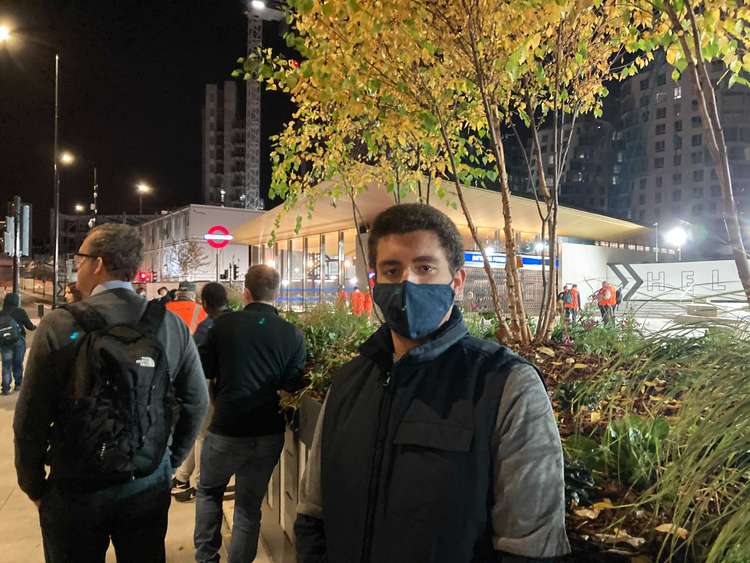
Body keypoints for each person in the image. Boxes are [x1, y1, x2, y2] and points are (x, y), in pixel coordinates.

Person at [294, 203, 570, 562]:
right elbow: (313, 512)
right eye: (392, 270)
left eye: (425, 267)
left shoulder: (506, 385)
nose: (407, 282)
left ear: (456, 281)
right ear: (375, 281)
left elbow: (532, 547)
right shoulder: (348, 383)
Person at [13, 223, 209, 563]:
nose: (77, 266)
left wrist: (33, 484)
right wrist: (166, 462)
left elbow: (31, 415)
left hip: (75, 487)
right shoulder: (169, 325)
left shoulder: (59, 324)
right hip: (146, 483)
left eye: (81, 258)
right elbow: (196, 402)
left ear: (98, 263)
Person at [195, 265, 306, 563]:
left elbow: (204, 368)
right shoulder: (293, 334)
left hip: (226, 428)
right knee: (248, 508)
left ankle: (206, 558)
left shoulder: (223, 326)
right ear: (277, 293)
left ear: (245, 292)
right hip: (268, 432)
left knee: (208, 492)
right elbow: (292, 384)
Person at [172, 282, 231, 503]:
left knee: (200, 434)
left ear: (204, 303)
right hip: (217, 383)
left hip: (200, 381)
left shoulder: (207, 326)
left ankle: (188, 481)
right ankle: (190, 479)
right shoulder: (226, 322)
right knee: (201, 434)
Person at [0, 293, 36, 394]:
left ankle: (6, 388)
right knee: (18, 363)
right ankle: (18, 384)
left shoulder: (1, 313)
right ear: (16, 301)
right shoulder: (20, 311)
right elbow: (29, 326)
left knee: (6, 365)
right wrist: (34, 327)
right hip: (18, 341)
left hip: (5, 342)